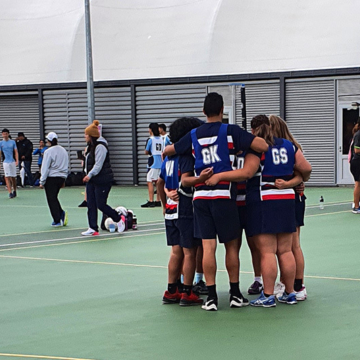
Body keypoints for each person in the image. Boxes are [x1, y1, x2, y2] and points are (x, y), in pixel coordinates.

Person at [163, 92, 269, 311]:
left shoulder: (193, 134)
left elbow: (168, 150)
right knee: (231, 247)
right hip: (223, 195)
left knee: (207, 247)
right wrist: (243, 146)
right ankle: (234, 293)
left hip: (200, 197)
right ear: (222, 111)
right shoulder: (230, 132)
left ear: (203, 111)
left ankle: (211, 297)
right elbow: (262, 146)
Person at [206, 115, 312, 307]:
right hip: (287, 199)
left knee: (267, 252)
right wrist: (292, 182)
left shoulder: (257, 149)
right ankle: (290, 292)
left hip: (264, 198)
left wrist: (220, 176)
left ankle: (269, 295)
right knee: (286, 250)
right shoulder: (289, 146)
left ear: (254, 131)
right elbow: (306, 169)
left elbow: (247, 173)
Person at [158, 117, 204, 306]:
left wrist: (164, 201)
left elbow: (160, 182)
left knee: (175, 251)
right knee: (190, 252)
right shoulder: (186, 158)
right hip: (184, 208)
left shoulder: (168, 158)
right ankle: (187, 291)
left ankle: (171, 290)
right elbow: (186, 179)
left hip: (170, 210)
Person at [269, 115, 308, 300]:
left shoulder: (287, 148)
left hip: (291, 198)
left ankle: (298, 285)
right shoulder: (291, 147)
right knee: (288, 246)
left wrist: (288, 184)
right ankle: (288, 283)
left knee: (292, 246)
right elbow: (302, 175)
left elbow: (304, 172)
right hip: (291, 197)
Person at [81, 120, 125, 236]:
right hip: (92, 180)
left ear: (91, 136)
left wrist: (89, 175)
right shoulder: (90, 146)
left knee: (101, 204)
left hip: (103, 180)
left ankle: (118, 219)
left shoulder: (100, 146)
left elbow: (98, 165)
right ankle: (92, 228)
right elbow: (88, 162)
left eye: (86, 135)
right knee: (90, 203)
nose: (84, 137)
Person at [40, 132, 69, 227]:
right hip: (61, 177)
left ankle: (57, 219)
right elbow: (66, 165)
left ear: (48, 141)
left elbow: (45, 167)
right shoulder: (63, 150)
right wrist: (64, 178)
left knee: (51, 198)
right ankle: (60, 213)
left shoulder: (48, 151)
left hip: (51, 178)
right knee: (54, 197)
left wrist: (42, 181)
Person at [141, 123, 163, 208]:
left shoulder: (150, 139)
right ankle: (158, 200)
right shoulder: (162, 138)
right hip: (161, 162)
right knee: (158, 182)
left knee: (150, 181)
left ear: (150, 129)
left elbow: (146, 151)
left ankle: (151, 200)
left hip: (153, 162)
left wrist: (148, 152)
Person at [0, 128, 19, 198]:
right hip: (5, 162)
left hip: (12, 161)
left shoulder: (12, 142)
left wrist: (17, 160)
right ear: (2, 134)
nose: (5, 135)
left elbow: (16, 151)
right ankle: (10, 192)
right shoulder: (1, 143)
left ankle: (14, 190)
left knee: (13, 177)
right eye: (3, 134)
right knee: (7, 177)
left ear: (8, 134)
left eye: (6, 134)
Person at [349, 117, 360, 213]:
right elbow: (357, 150)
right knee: (358, 183)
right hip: (357, 163)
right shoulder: (358, 135)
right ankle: (356, 207)